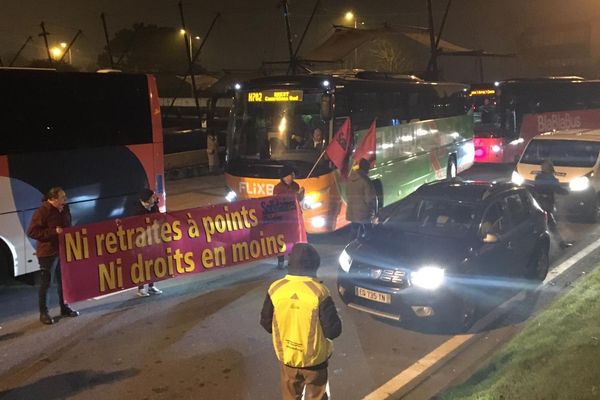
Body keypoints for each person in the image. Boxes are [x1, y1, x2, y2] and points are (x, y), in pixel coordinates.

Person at [260, 243, 342, 400]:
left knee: (290, 396)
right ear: (314, 265)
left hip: (287, 358)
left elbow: (266, 323)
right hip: (315, 362)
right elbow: (333, 331)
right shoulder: (319, 292)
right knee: (317, 396)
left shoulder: (275, 288)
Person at [27, 187, 79, 325]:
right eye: (62, 197)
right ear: (53, 199)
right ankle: (44, 313)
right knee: (46, 283)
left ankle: (64, 307)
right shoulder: (42, 212)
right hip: (48, 253)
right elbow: (32, 232)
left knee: (63, 282)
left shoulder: (64, 209)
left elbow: (67, 225)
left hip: (62, 250)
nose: (65, 200)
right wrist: (53, 232)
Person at [532, 160, 572, 249]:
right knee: (550, 223)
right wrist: (567, 192)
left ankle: (558, 243)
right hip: (546, 203)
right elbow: (557, 188)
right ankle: (560, 243)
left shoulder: (538, 177)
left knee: (546, 223)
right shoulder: (549, 178)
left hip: (539, 202)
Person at [134, 188, 164, 296]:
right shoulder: (136, 209)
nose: (153, 198)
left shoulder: (154, 206)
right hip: (140, 241)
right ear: (147, 199)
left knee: (152, 262)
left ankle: (151, 286)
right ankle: (141, 288)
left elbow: (160, 218)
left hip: (152, 239)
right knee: (142, 264)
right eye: (152, 197)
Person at [273, 167, 305, 269]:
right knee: (282, 240)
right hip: (282, 218)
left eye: (292, 175)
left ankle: (292, 261)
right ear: (284, 177)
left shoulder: (295, 186)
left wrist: (301, 194)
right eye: (290, 174)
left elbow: (298, 199)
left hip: (294, 217)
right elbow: (280, 199)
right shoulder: (278, 188)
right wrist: (295, 195)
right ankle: (281, 261)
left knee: (294, 239)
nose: (292, 177)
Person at [346, 158, 377, 239]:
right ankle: (367, 248)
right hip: (364, 214)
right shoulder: (366, 181)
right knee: (369, 233)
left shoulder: (350, 179)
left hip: (352, 212)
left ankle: (350, 247)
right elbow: (369, 200)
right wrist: (374, 213)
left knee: (354, 232)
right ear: (366, 169)